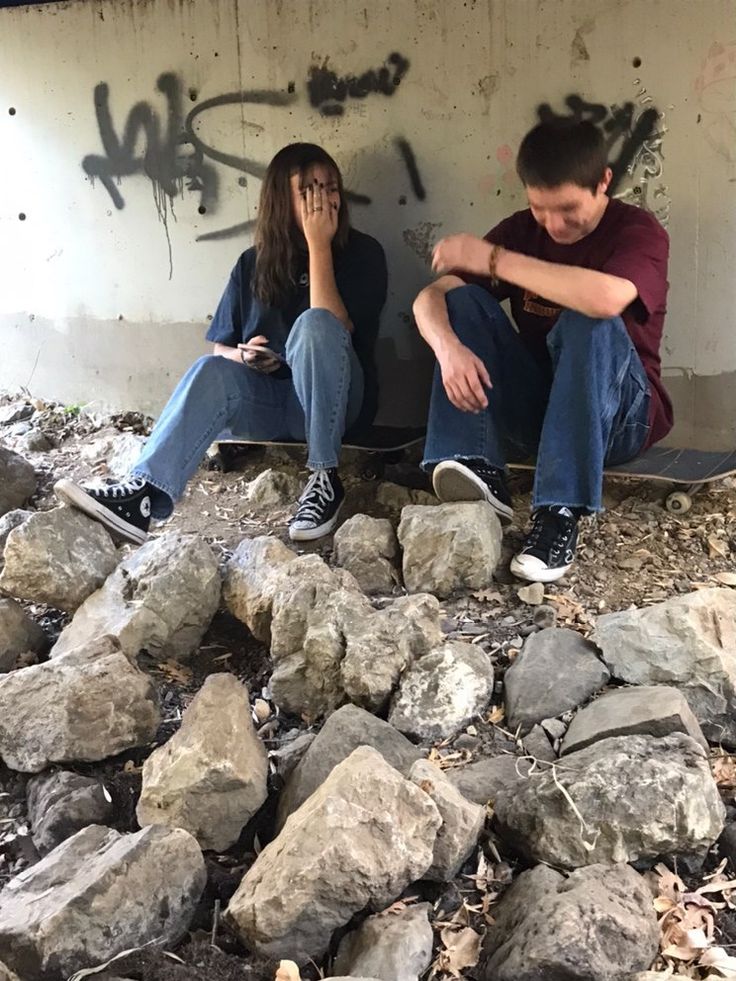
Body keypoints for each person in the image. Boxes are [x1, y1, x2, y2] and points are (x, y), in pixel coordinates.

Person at [55, 143, 388, 545]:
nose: (323, 199)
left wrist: (319, 245)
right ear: (282, 199)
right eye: (308, 191)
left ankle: (323, 478)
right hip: (271, 404)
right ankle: (142, 494)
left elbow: (336, 326)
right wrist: (244, 356)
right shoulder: (253, 263)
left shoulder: (363, 253)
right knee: (208, 369)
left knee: (315, 324)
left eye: (330, 187)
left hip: (335, 405)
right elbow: (220, 351)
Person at [413, 119, 671, 583]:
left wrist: (493, 259)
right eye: (539, 208)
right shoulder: (519, 232)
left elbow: (605, 299)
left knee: (587, 317)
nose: (553, 225)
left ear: (604, 183)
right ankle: (473, 469)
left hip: (619, 419)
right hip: (543, 412)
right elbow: (427, 300)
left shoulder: (639, 231)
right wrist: (449, 349)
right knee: (460, 301)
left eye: (569, 208)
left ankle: (558, 512)